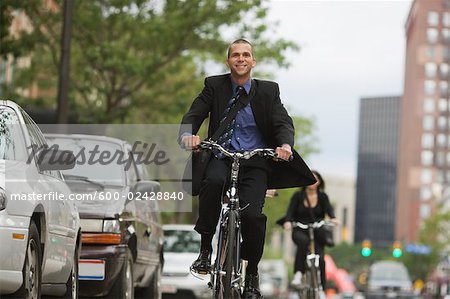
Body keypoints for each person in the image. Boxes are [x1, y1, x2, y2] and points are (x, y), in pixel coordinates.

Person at [179, 38, 316, 299]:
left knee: (253, 217)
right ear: (228, 60)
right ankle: (206, 250)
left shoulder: (268, 91)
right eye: (235, 55)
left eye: (246, 55)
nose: (240, 59)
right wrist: (189, 135)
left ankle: (251, 271)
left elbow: (281, 122)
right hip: (221, 155)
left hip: (255, 161)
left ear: (253, 61)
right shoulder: (214, 85)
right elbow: (194, 113)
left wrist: (285, 144)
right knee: (212, 184)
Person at [281, 170, 339, 289]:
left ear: (319, 182)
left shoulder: (323, 196)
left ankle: (322, 289)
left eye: (316, 179)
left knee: (321, 259)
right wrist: (288, 221)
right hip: (300, 228)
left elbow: (329, 209)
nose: (313, 182)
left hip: (318, 229)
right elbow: (290, 211)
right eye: (311, 179)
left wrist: (333, 218)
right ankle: (298, 273)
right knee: (303, 243)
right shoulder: (298, 196)